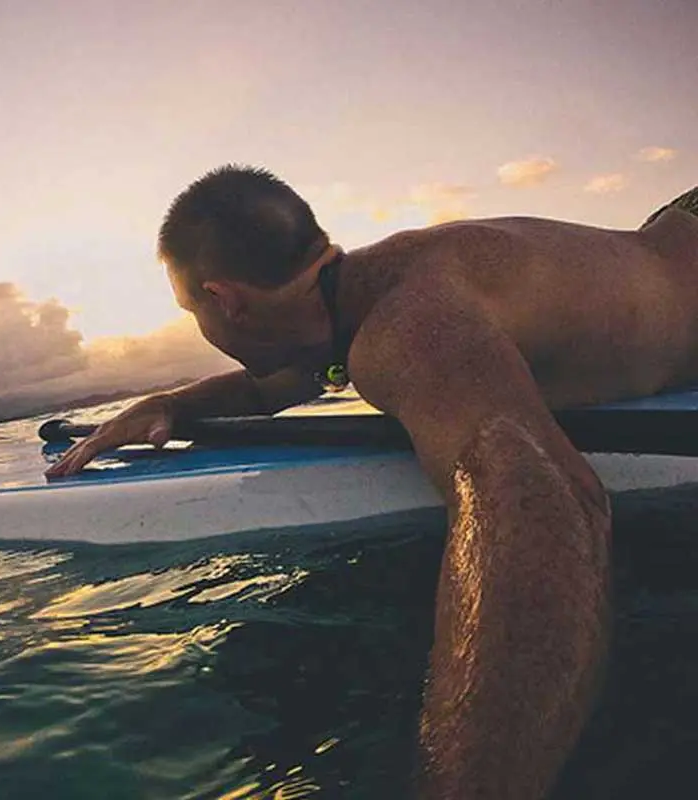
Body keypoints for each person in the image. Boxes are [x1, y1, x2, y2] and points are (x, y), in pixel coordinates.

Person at [45, 166, 698, 799]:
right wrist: (175, 406)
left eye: (192, 310)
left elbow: (551, 499)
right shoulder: (368, 293)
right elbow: (286, 382)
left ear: (224, 299)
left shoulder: (405, 328)